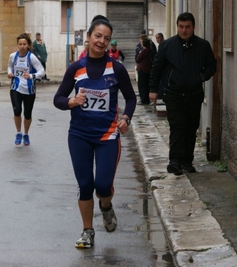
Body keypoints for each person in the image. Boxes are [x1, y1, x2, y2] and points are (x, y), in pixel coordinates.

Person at [54, 15, 136, 248]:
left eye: (106, 38)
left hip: (107, 136)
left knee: (103, 186)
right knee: (85, 185)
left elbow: (130, 98)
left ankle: (106, 206)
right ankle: (87, 231)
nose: (101, 41)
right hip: (79, 135)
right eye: (97, 36)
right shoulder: (76, 69)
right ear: (88, 37)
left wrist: (126, 119)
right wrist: (72, 101)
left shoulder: (117, 69)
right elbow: (58, 99)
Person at [149, 12, 216, 175]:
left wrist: (201, 77)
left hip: (194, 94)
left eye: (187, 27)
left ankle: (187, 161)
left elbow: (211, 66)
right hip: (173, 93)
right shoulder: (167, 45)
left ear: (193, 27)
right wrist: (153, 89)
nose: (184, 30)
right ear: (177, 26)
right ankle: (175, 161)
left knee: (190, 127)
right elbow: (156, 68)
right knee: (177, 126)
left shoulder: (203, 46)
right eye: (181, 27)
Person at [7, 33, 45, 146]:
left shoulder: (31, 57)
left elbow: (42, 71)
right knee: (17, 110)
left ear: (28, 45)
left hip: (29, 90)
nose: (22, 46)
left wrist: (32, 76)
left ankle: (26, 134)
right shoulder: (13, 56)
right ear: (17, 45)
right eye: (20, 44)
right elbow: (9, 66)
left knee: (27, 114)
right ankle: (18, 132)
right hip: (15, 87)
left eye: (24, 44)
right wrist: (9, 73)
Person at [136, 38, 152, 105]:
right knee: (146, 85)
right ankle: (146, 99)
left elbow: (138, 59)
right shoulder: (149, 50)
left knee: (142, 85)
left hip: (142, 70)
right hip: (147, 69)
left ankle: (144, 99)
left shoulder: (144, 51)